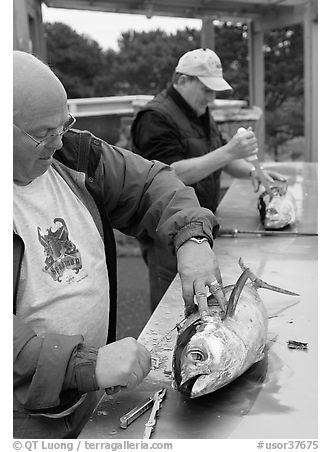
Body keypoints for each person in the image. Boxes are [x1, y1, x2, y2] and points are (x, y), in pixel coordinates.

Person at [13, 51, 226, 439]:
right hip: (21, 420)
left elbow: (150, 184)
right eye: (42, 134)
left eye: (64, 125)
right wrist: (84, 365)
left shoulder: (73, 155)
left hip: (90, 392)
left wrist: (192, 237)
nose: (58, 141)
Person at [131, 47, 285, 310]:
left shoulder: (199, 112)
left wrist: (253, 171)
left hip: (199, 226)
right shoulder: (155, 118)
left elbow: (221, 158)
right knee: (173, 308)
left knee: (204, 302)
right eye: (206, 89)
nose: (212, 98)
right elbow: (167, 175)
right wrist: (230, 151)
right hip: (168, 232)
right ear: (181, 80)